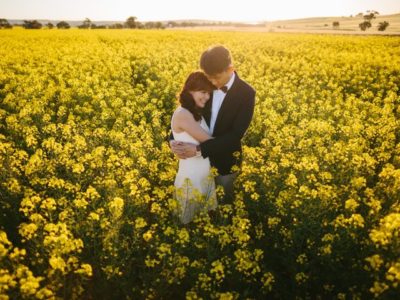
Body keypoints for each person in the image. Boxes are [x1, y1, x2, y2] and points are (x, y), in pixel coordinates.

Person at [170, 45, 256, 204]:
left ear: (230, 69)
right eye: (208, 77)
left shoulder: (246, 93)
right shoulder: (205, 83)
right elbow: (185, 112)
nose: (212, 82)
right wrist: (173, 139)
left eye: (216, 77)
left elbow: (236, 135)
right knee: (196, 206)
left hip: (225, 163)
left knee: (224, 207)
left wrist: (198, 150)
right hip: (197, 165)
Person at [171, 71, 217, 224]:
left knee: (206, 225)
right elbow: (210, 142)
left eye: (209, 93)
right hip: (190, 178)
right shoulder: (183, 114)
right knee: (188, 226)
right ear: (190, 90)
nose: (207, 97)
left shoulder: (195, 112)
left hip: (204, 175)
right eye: (203, 92)